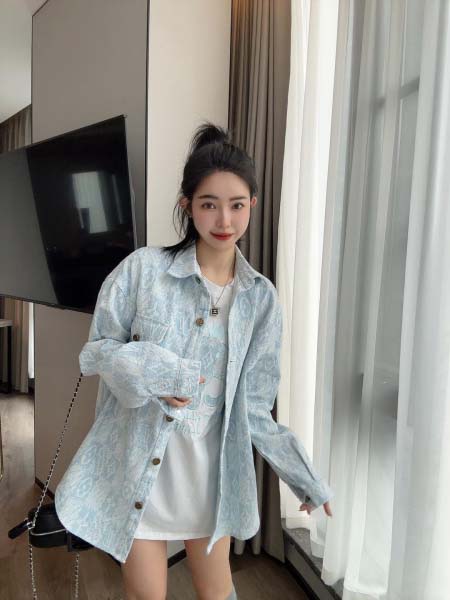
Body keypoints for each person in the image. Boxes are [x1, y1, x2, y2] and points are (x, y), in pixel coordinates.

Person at [54, 122, 334, 600]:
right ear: (187, 206)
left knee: (217, 594)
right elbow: (96, 351)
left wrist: (303, 477)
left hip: (209, 483)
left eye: (237, 205)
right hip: (139, 474)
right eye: (209, 204)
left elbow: (254, 409)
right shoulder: (143, 270)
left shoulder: (261, 300)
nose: (224, 219)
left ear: (253, 204)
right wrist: (152, 370)